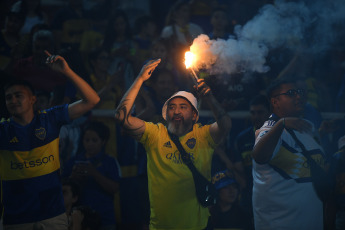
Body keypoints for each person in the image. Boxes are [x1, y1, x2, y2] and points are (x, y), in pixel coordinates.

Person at [114, 59, 232, 230]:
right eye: (172, 107)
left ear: (194, 115)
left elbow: (226, 125)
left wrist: (209, 97)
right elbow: (120, 118)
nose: (177, 111)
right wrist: (140, 79)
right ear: (166, 114)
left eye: (183, 107)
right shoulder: (155, 133)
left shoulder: (203, 134)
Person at [0, 50, 100, 229]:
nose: (13, 100)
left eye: (18, 95)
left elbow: (92, 100)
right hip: (15, 217)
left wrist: (66, 72)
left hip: (52, 213)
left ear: (33, 99)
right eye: (8, 97)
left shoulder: (50, 118)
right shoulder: (3, 130)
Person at [252, 79, 327, 229]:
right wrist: (281, 124)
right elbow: (259, 156)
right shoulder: (269, 129)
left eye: (299, 92)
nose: (298, 97)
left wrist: (322, 133)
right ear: (275, 102)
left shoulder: (307, 127)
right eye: (291, 93)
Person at [62, 120, 121, 230]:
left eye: (94, 140)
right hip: (79, 219)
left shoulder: (109, 161)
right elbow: (63, 186)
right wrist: (73, 177)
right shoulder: (74, 161)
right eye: (87, 140)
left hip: (105, 218)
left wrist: (94, 173)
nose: (90, 144)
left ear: (103, 141)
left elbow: (114, 188)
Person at [232, 94, 271, 216]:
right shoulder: (242, 139)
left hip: (273, 195)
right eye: (253, 113)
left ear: (269, 112)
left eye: (260, 112)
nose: (256, 117)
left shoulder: (280, 135)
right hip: (250, 196)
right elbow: (239, 171)